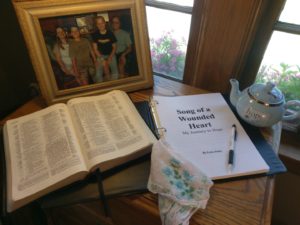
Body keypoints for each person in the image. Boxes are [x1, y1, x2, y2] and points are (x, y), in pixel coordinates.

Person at [92, 16, 118, 82]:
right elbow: (95, 49)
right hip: (100, 55)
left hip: (111, 54)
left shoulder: (110, 33)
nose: (101, 25)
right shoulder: (95, 35)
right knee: (98, 75)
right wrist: (102, 59)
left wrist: (110, 57)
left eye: (102, 23)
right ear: (96, 25)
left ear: (105, 23)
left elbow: (115, 47)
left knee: (115, 74)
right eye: (98, 23)